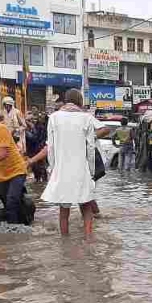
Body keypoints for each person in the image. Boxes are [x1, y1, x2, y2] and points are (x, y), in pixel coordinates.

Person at [26, 89, 108, 236]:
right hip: (81, 169)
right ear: (80, 101)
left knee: (64, 211)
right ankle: (89, 240)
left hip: (62, 170)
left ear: (65, 100)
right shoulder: (86, 118)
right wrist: (90, 169)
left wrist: (53, 168)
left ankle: (65, 241)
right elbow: (90, 147)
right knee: (86, 208)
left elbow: (50, 147)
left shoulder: (54, 118)